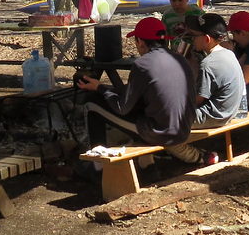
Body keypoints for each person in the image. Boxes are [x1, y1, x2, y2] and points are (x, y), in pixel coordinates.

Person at [77, 17, 196, 159]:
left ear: (140, 41)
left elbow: (122, 107)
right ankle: (147, 166)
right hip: (184, 129)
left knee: (92, 104)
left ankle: (97, 166)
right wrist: (107, 88)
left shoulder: (142, 64)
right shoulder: (180, 59)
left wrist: (100, 88)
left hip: (160, 133)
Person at [168, 13, 245, 164]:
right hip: (229, 112)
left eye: (195, 35)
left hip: (213, 116)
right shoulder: (228, 54)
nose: (192, 39)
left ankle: (200, 157)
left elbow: (198, 99)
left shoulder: (208, 64)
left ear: (207, 39)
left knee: (162, 127)